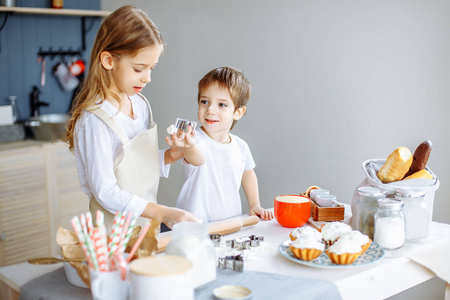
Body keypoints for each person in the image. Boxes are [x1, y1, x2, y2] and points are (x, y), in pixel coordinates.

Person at [62, 5, 198, 230]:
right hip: (112, 234)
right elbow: (105, 191)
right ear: (108, 61)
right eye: (139, 69)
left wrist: (169, 156)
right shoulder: (95, 120)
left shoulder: (141, 105)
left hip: (145, 227)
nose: (148, 78)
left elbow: (131, 165)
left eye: (152, 68)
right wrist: (162, 212)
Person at [170, 66, 274, 223]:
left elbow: (248, 173)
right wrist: (189, 146)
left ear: (237, 112)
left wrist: (254, 204)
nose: (210, 110)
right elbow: (198, 158)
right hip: (193, 225)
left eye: (222, 105)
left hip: (228, 224)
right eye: (204, 102)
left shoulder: (241, 146)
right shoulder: (195, 140)